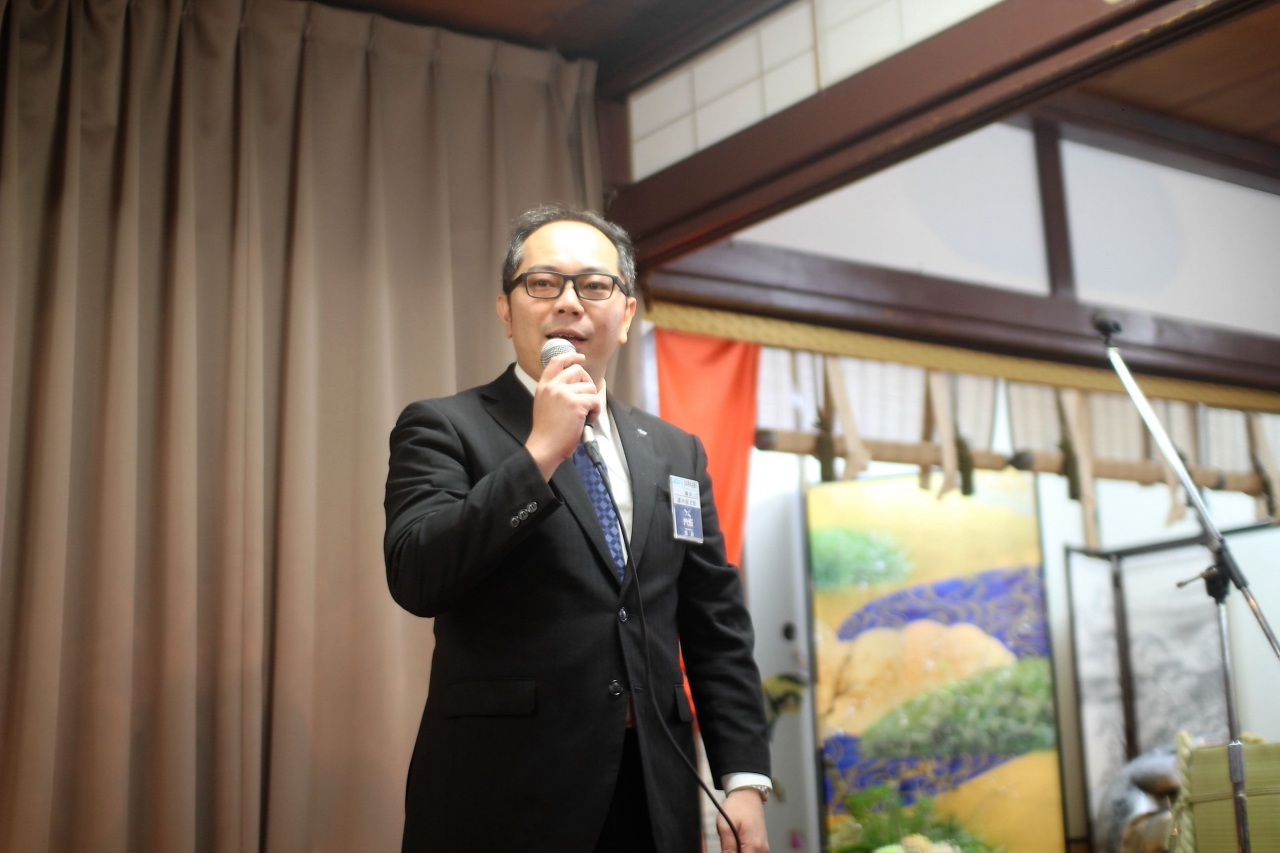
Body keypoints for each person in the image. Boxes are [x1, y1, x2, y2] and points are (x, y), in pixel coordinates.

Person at [384, 205, 772, 853]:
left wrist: (745, 779)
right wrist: (538, 454)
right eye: (543, 283)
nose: (569, 302)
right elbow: (418, 575)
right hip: (505, 793)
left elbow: (716, 627)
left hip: (654, 791)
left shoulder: (675, 451)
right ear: (506, 311)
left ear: (626, 314)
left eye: (594, 285)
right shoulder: (443, 426)